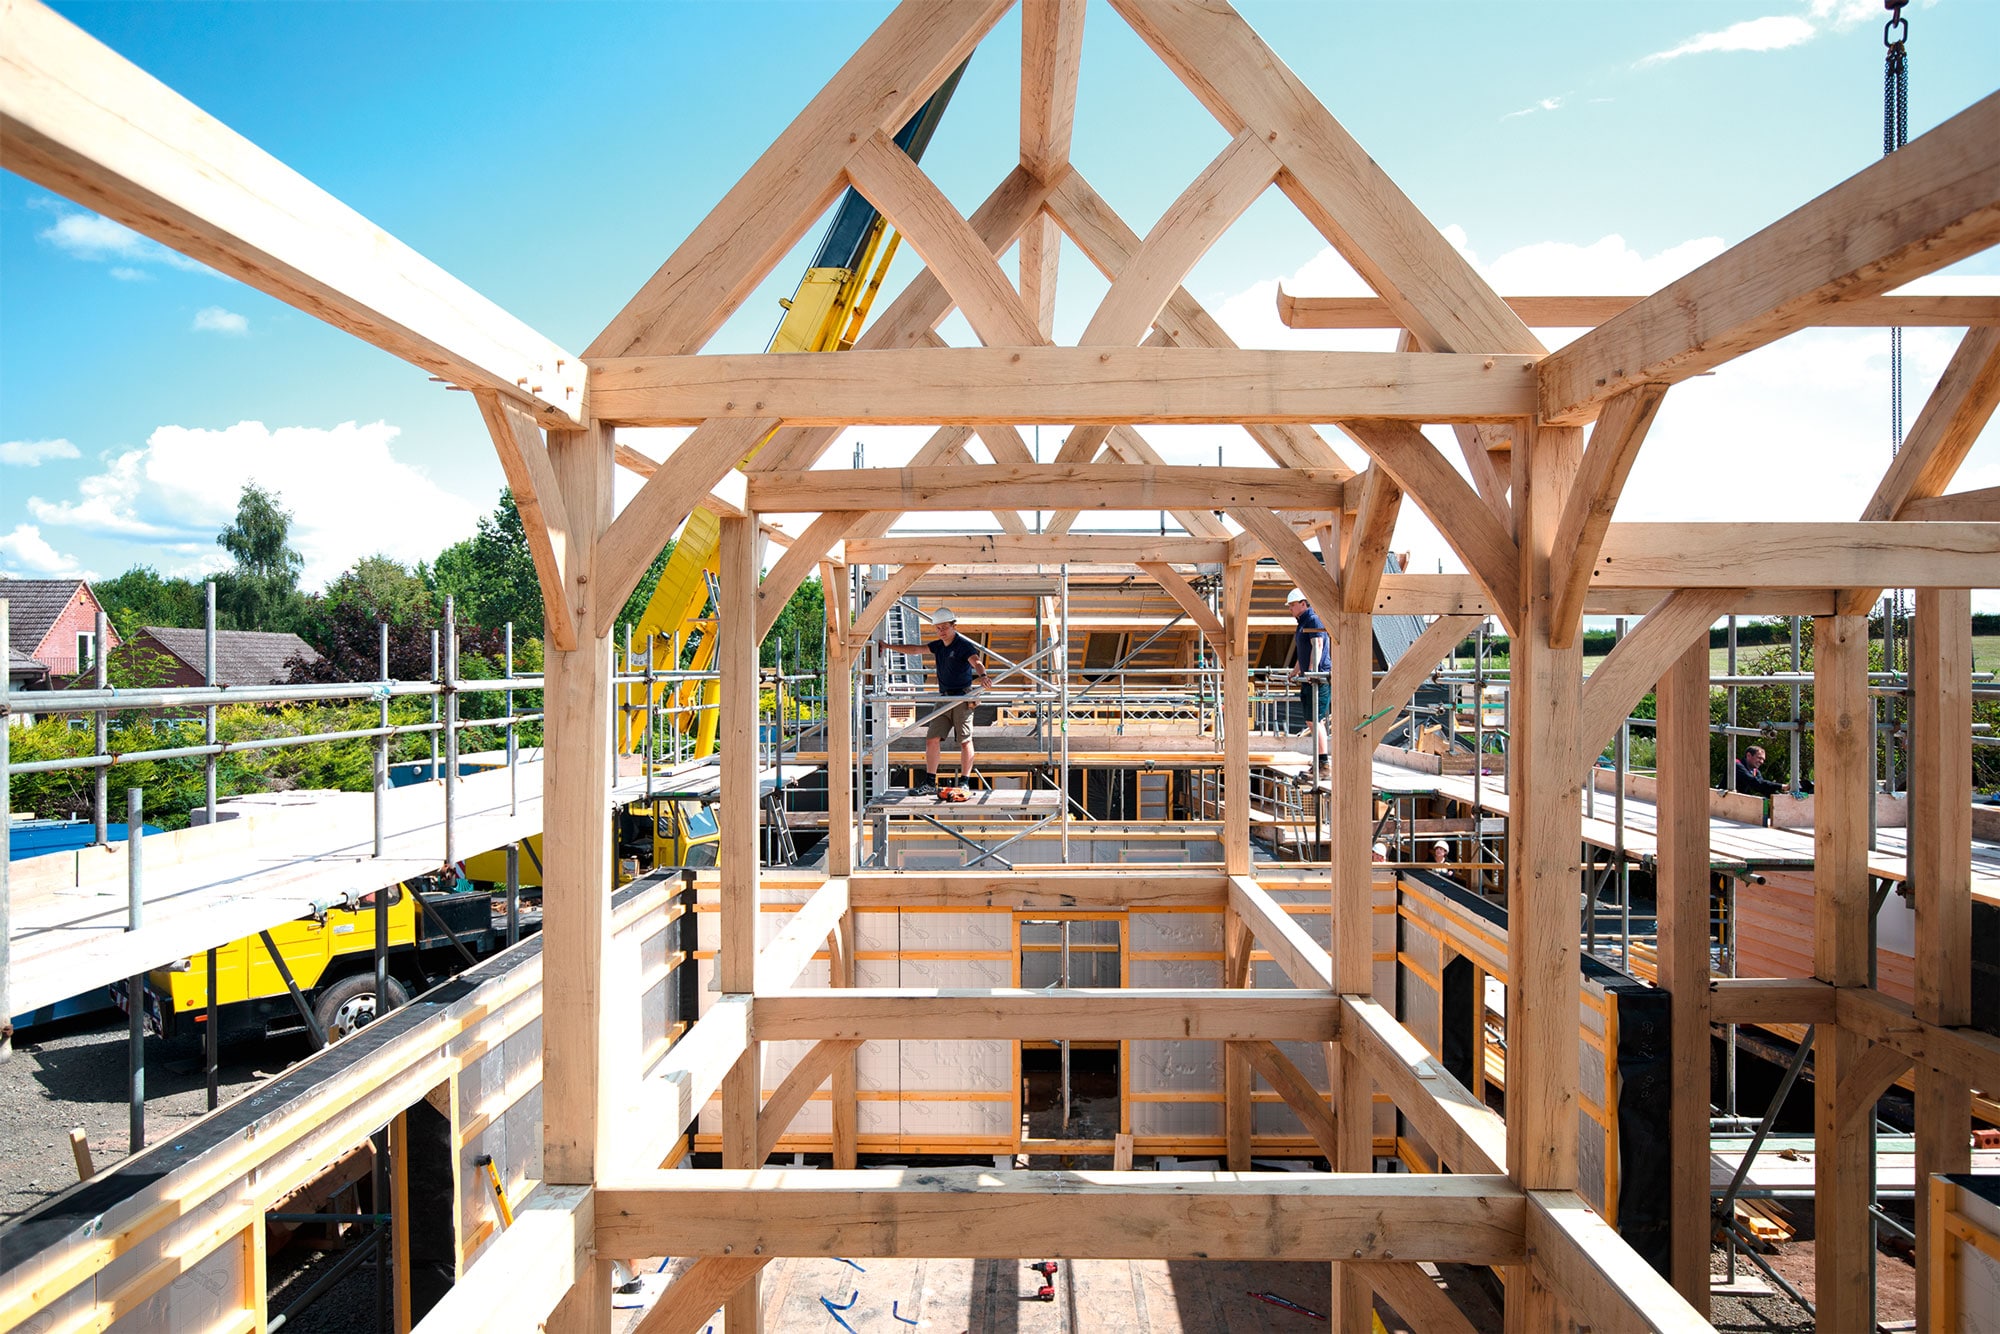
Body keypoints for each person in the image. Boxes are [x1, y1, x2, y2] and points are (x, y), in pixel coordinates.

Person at [883, 607, 988, 796]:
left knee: (965, 740)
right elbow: (915, 649)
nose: (941, 631)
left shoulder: (963, 645)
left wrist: (983, 676)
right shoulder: (938, 645)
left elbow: (976, 661)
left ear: (953, 626)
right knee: (932, 739)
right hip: (943, 698)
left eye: (944, 627)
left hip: (963, 698)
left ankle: (964, 782)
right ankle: (930, 782)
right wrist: (889, 647)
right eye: (938, 628)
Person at [1285, 588, 1331, 774]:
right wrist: (1296, 671)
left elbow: (1317, 644)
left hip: (1317, 679)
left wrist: (1312, 670)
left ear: (1303, 604)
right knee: (1311, 720)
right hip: (1309, 678)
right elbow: (1303, 652)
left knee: (1315, 719)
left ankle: (1323, 762)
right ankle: (1320, 759)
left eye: (1292, 605)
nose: (1290, 609)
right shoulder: (1302, 623)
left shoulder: (1313, 619)